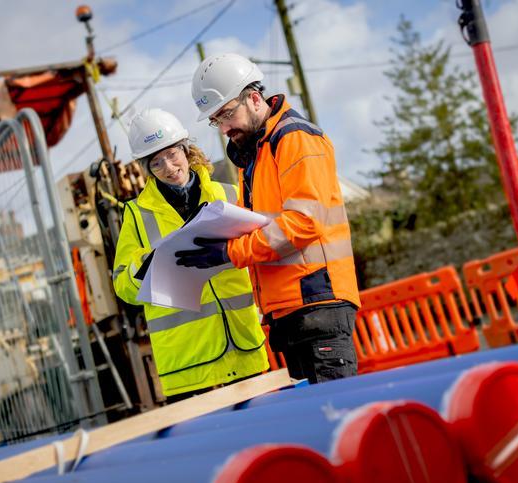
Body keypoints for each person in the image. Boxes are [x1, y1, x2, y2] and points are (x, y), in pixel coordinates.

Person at [176, 53, 360, 384]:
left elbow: (304, 223)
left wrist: (230, 252)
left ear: (255, 99)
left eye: (228, 114)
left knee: (335, 418)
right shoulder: (257, 153)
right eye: (216, 121)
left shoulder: (294, 138)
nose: (225, 128)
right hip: (292, 311)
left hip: (317, 302)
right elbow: (266, 225)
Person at [112, 108, 268, 399]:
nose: (170, 168)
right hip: (186, 364)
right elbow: (122, 284)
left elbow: (260, 249)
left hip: (242, 344)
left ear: (186, 150)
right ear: (146, 170)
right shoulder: (136, 214)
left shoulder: (229, 194)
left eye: (172, 155)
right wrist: (145, 265)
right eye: (156, 163)